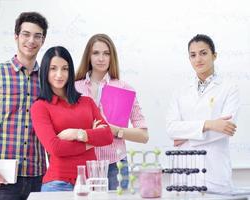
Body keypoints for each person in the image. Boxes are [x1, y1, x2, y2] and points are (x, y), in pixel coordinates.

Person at [0, 12, 48, 199]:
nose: (31, 40)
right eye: (26, 34)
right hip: (1, 179)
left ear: (43, 40)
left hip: (38, 176)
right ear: (16, 36)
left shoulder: (47, 80)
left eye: (37, 36)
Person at [30, 46, 113, 192]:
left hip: (92, 184)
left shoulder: (87, 102)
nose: (59, 74)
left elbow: (107, 136)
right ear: (45, 72)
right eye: (53, 68)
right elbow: (55, 147)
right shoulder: (40, 107)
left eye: (65, 68)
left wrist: (77, 134)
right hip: (58, 184)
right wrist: (90, 142)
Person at [166, 34, 240, 193]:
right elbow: (171, 129)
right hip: (183, 171)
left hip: (214, 172)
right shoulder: (180, 91)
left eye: (203, 53)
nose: (198, 59)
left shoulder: (229, 88)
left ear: (214, 55)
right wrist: (210, 124)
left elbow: (226, 129)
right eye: (193, 55)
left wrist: (184, 136)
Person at [75, 34, 149, 190]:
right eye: (96, 53)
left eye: (106, 53)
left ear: (112, 57)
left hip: (115, 166)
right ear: (88, 56)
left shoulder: (123, 88)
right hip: (82, 163)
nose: (101, 58)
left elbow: (143, 136)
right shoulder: (75, 88)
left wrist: (116, 131)